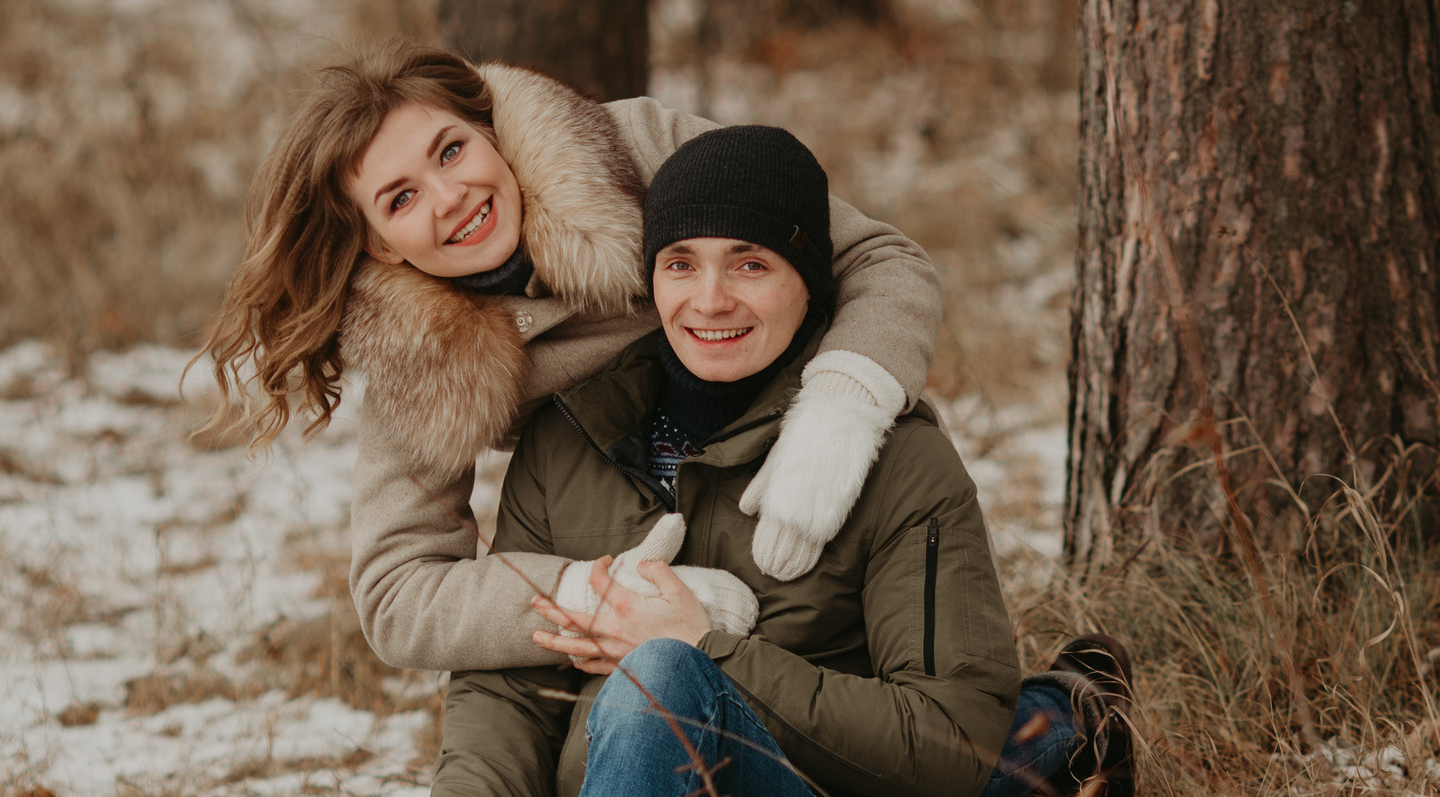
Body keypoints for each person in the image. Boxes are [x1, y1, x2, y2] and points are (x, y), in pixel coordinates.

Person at [188, 126, 1137, 797]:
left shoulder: (901, 463)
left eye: (752, 264)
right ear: (646, 278)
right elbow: (504, 690)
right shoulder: (569, 441)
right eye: (680, 264)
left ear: (808, 280)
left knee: (667, 675)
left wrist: (709, 649)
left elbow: (954, 753)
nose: (711, 298)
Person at [198, 44, 945, 676]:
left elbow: (879, 255)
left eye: (452, 150)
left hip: (812, 480)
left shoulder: (632, 146)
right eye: (400, 198)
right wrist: (598, 596)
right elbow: (397, 592)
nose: (451, 196)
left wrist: (843, 409)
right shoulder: (415, 347)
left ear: (489, 130)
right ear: (379, 247)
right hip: (666, 524)